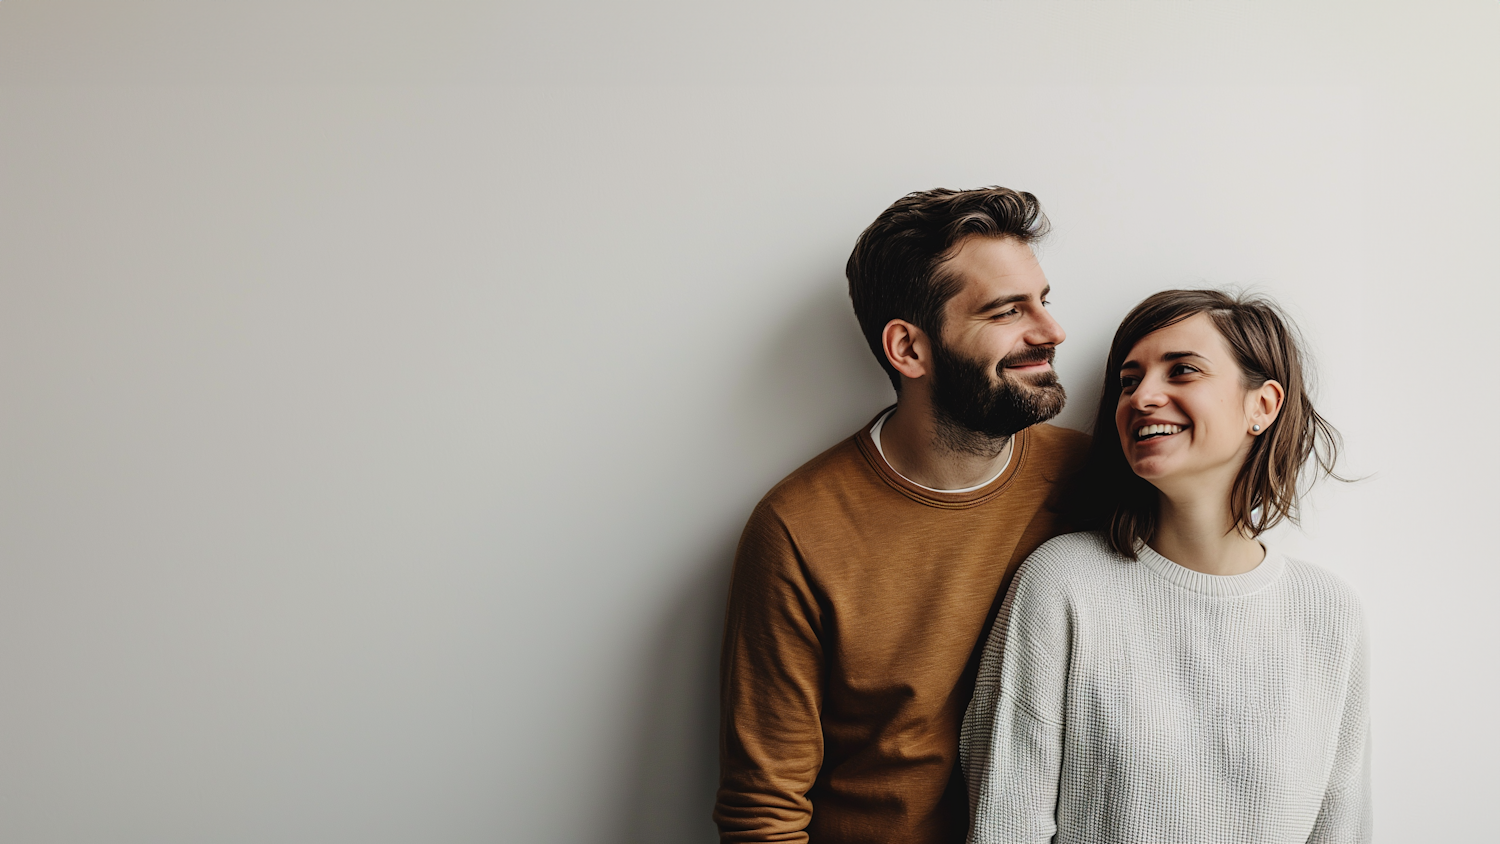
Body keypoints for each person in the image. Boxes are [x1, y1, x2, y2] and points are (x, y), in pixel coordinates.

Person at [715, 187, 1089, 844]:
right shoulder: (798, 530)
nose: (1052, 332)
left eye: (1044, 301)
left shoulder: (1095, 479)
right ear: (909, 349)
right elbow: (765, 810)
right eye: (1007, 311)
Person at [960, 290, 1370, 843]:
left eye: (1182, 371)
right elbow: (1006, 823)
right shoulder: (1062, 584)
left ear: (1263, 406)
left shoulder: (1329, 612)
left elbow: (1341, 827)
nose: (1142, 397)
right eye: (1129, 381)